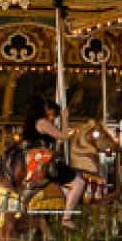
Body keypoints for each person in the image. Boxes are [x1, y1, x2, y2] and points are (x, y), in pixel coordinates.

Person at [21, 95, 85, 226]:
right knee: (79, 183)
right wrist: (65, 118)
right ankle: (66, 218)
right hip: (45, 163)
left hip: (36, 161)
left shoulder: (33, 124)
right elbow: (64, 136)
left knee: (67, 189)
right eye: (51, 114)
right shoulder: (42, 122)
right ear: (45, 109)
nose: (52, 118)